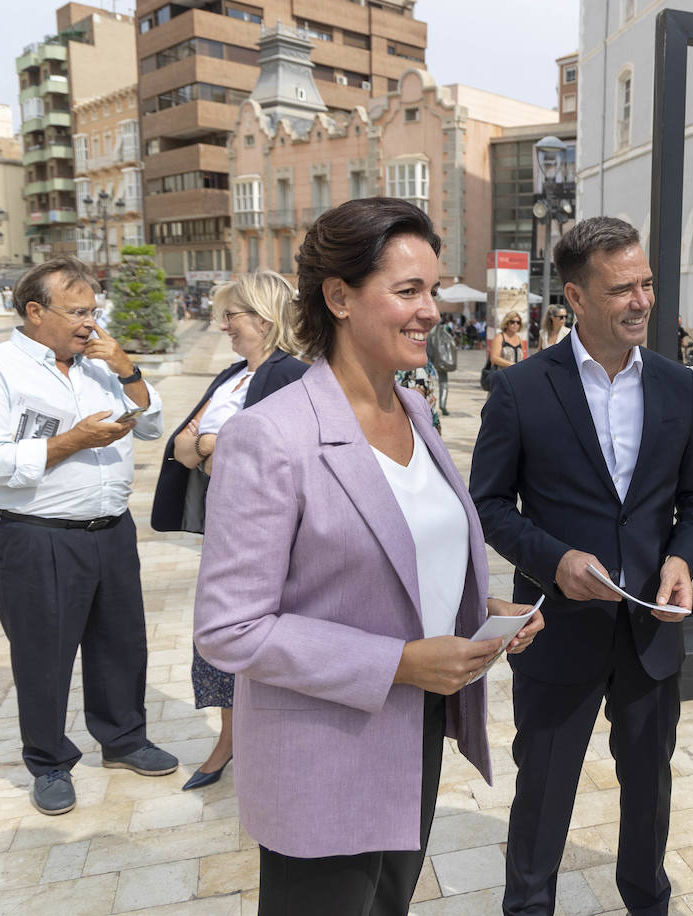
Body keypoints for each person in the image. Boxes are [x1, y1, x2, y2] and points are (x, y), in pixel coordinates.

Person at [193, 198, 542, 915]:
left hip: (415, 730)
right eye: (408, 291)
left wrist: (480, 612)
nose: (433, 311)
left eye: (434, 290)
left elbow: (406, 553)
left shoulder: (414, 410)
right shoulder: (272, 435)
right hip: (325, 754)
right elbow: (230, 628)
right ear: (340, 297)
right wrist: (399, 662)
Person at [471, 216, 693, 916]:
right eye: (622, 289)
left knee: (650, 792)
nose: (642, 301)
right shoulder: (520, 390)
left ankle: (649, 905)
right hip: (558, 635)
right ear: (576, 298)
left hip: (652, 636)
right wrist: (554, 560)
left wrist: (680, 559)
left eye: (645, 284)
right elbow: (485, 505)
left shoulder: (677, 386)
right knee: (544, 793)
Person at [0, 256, 177, 816]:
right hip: (38, 537)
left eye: (94, 311)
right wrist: (73, 440)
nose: (89, 323)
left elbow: (149, 425)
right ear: (34, 311)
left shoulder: (99, 364)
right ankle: (48, 761)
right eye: (78, 312)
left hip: (111, 530)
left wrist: (127, 369)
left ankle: (124, 740)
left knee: (122, 644)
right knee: (44, 655)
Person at [150, 270, 308, 792]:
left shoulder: (293, 374)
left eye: (232, 316)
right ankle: (230, 738)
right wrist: (208, 447)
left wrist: (213, 446)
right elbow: (182, 445)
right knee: (218, 634)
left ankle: (267, 742)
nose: (223, 326)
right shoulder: (233, 376)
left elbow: (269, 455)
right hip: (225, 525)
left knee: (261, 634)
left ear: (263, 319)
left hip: (269, 533)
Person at [425, 317, 457, 415]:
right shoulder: (444, 331)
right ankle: (443, 405)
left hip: (428, 360)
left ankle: (427, 405)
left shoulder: (426, 332)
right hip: (441, 360)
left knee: (427, 382)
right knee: (443, 381)